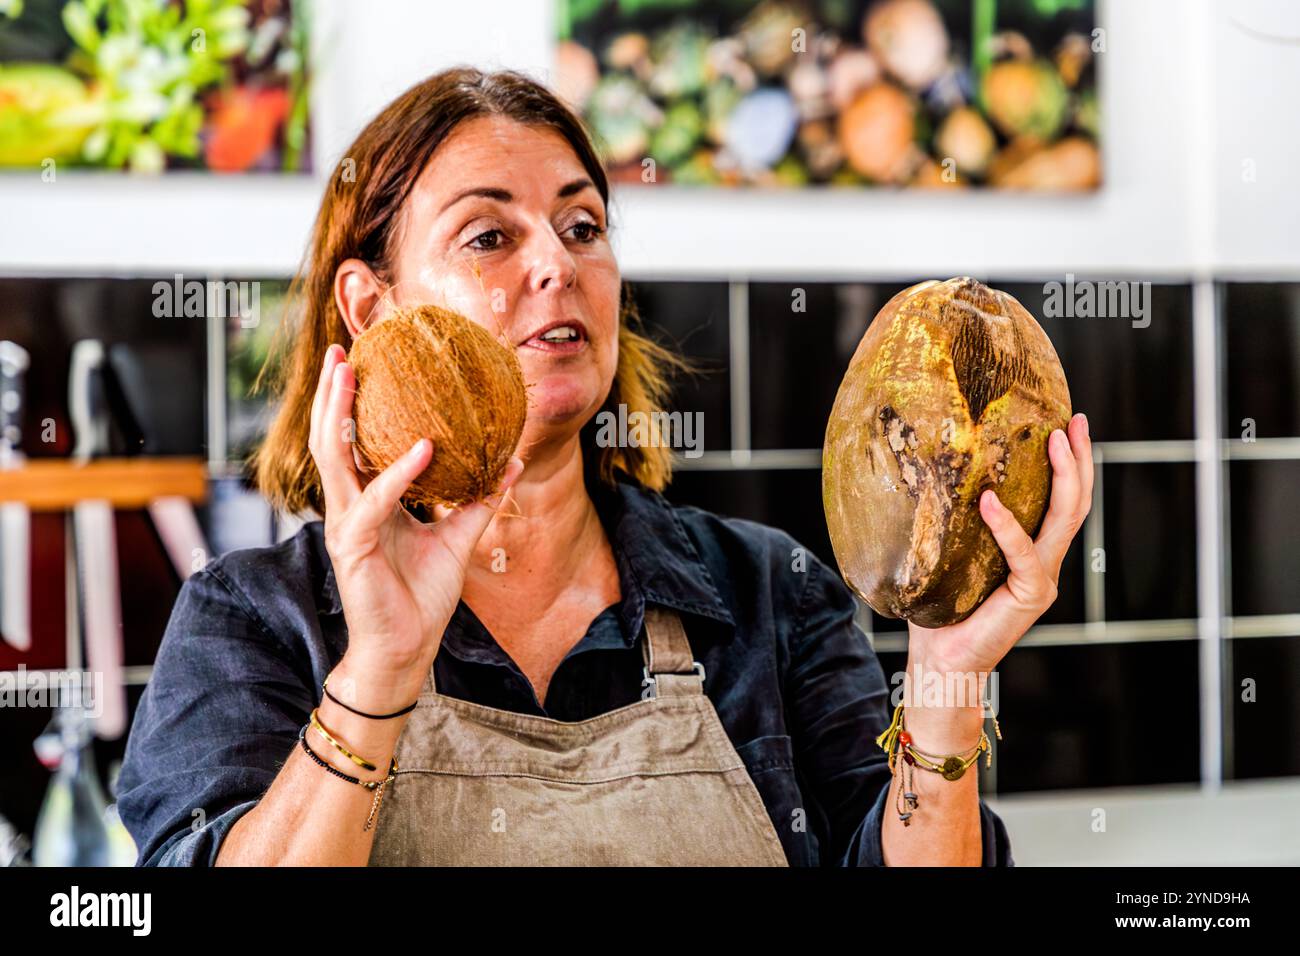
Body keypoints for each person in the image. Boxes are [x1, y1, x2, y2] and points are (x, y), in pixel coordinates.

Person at [117, 67, 1093, 866]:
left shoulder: (767, 592)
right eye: (490, 234)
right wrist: (380, 666)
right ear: (373, 309)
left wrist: (944, 675)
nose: (559, 262)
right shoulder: (251, 621)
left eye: (583, 227)